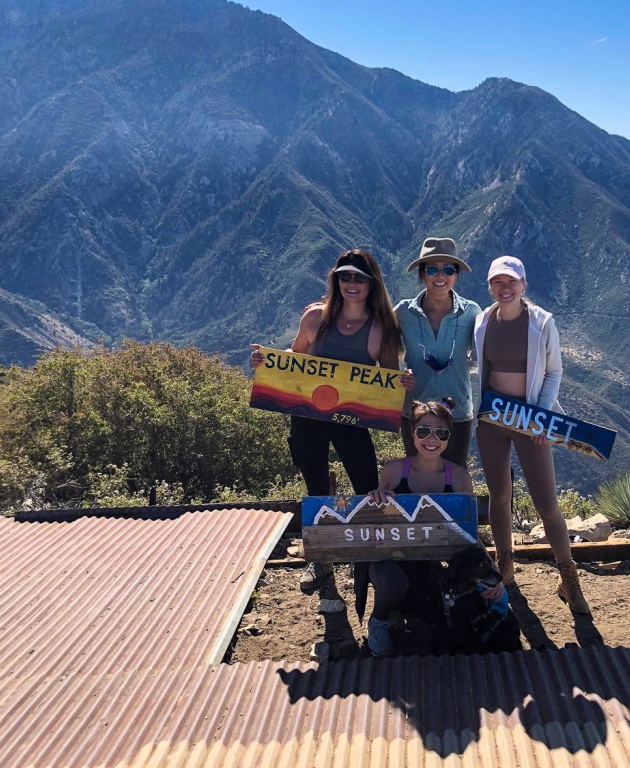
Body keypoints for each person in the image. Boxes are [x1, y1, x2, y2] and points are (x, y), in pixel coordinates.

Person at [250, 248, 404, 605]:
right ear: (336, 280)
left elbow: (388, 377)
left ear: (371, 284)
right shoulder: (315, 318)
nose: (352, 284)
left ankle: (369, 558)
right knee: (317, 489)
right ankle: (320, 561)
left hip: (353, 422)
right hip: (308, 419)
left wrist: (402, 384)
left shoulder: (380, 329)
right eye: (345, 277)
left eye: (359, 278)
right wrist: (267, 359)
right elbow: (296, 358)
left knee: (367, 486)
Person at [473, 255, 591, 614]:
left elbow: (554, 371)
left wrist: (541, 416)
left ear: (523, 285)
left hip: (530, 419)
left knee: (546, 502)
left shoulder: (542, 322)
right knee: (499, 496)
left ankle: (568, 576)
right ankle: (505, 567)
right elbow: (480, 365)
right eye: (498, 282)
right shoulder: (482, 321)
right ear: (490, 286)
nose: (505, 289)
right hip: (493, 417)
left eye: (511, 282)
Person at [358, 397, 474, 657]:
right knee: (393, 582)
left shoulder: (458, 477)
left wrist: (490, 577)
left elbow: (467, 532)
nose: (432, 439)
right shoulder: (395, 470)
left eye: (440, 433)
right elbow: (378, 517)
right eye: (424, 431)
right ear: (412, 433)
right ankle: (379, 620)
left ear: (448, 438)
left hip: (430, 560)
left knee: (435, 622)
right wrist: (377, 498)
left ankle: (405, 614)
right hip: (389, 556)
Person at [395, 237, 481, 468]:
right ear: (422, 274)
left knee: (453, 477)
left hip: (457, 414)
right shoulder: (402, 312)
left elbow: (487, 355)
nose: (440, 276)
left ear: (456, 274)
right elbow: (380, 345)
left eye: (448, 269)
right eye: (432, 269)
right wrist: (397, 376)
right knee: (415, 477)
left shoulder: (472, 313)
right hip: (414, 413)